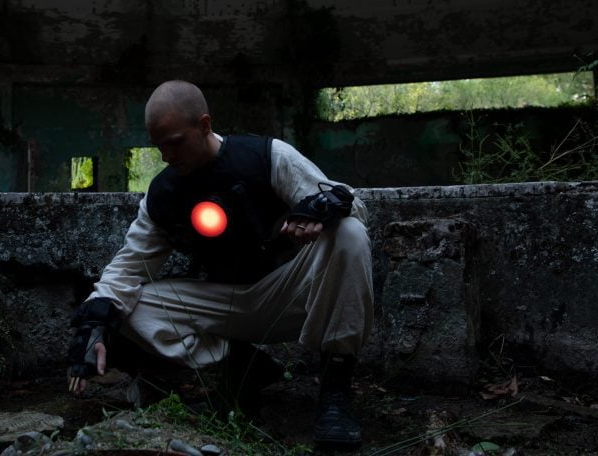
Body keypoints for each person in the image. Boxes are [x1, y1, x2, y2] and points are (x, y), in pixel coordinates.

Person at [67, 80, 373, 450]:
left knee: (351, 234)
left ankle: (336, 391)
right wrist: (94, 324)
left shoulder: (266, 156)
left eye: (176, 141)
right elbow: (127, 268)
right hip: (223, 305)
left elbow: (350, 203)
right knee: (124, 307)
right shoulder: (163, 194)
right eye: (159, 145)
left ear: (205, 124)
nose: (167, 155)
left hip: (288, 292)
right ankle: (239, 364)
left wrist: (313, 211)